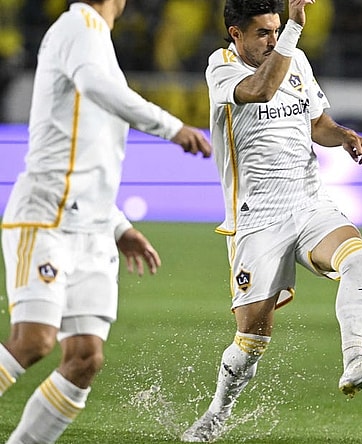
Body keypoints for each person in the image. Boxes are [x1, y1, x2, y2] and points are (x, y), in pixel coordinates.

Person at [0, 1, 212, 443]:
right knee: (33, 340)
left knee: (84, 359)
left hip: (93, 226)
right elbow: (95, 86)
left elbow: (89, 153)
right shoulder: (77, 26)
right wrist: (171, 126)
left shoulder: (97, 38)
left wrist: (119, 226)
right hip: (48, 215)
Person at [182, 0, 362, 441]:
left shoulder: (294, 58)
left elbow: (317, 123)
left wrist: (345, 137)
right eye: (263, 32)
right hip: (257, 218)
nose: (273, 40)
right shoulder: (220, 68)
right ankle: (215, 417)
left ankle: (354, 360)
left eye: (276, 30)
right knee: (251, 342)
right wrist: (296, 28)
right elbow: (260, 90)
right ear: (235, 33)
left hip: (308, 201)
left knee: (358, 258)